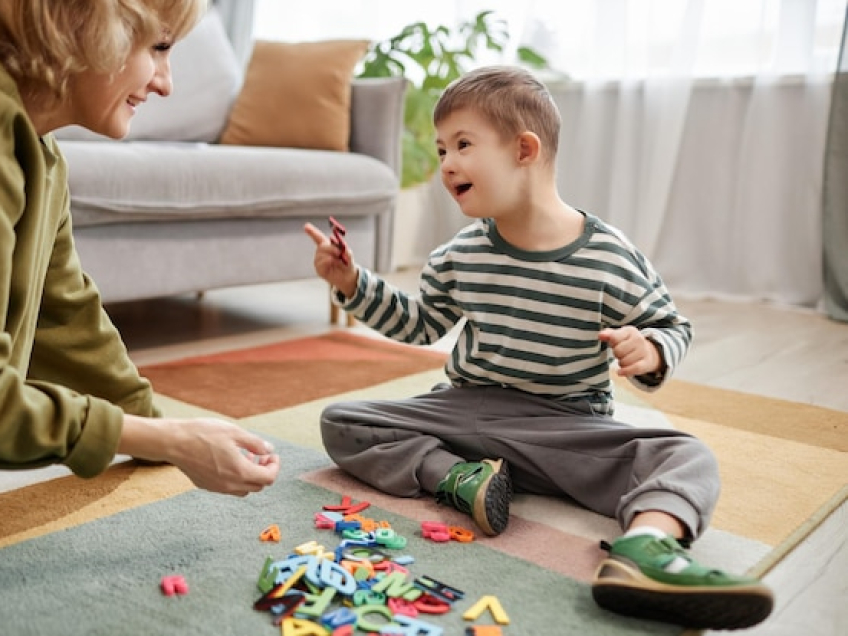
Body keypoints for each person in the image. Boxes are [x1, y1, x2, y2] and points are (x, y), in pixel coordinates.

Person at [304, 65, 773, 631]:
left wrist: (648, 349)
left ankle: (644, 550)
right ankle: (458, 477)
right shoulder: (459, 254)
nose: (446, 163)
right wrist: (354, 283)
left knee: (688, 456)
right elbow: (420, 324)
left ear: (524, 149)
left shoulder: (609, 256)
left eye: (463, 145)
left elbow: (671, 325)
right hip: (467, 411)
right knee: (343, 419)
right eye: (441, 147)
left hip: (563, 425)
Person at [0, 0, 280, 541]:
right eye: (159, 48)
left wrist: (164, 428)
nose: (166, 83)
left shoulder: (40, 155)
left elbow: (67, 316)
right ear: (88, 23)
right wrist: (166, 441)